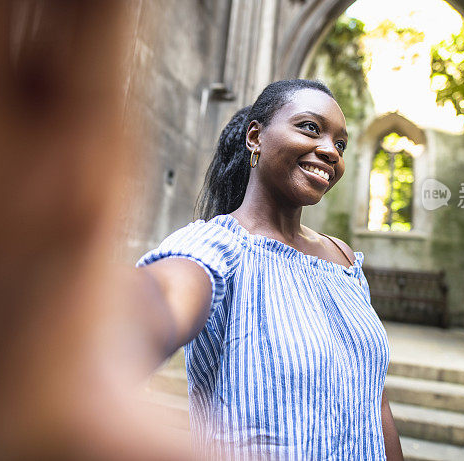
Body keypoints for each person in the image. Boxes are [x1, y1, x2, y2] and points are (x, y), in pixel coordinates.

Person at [137, 79, 404, 460]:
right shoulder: (218, 246)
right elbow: (158, 300)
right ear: (255, 137)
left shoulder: (342, 259)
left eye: (340, 144)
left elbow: (375, 402)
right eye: (310, 128)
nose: (331, 151)